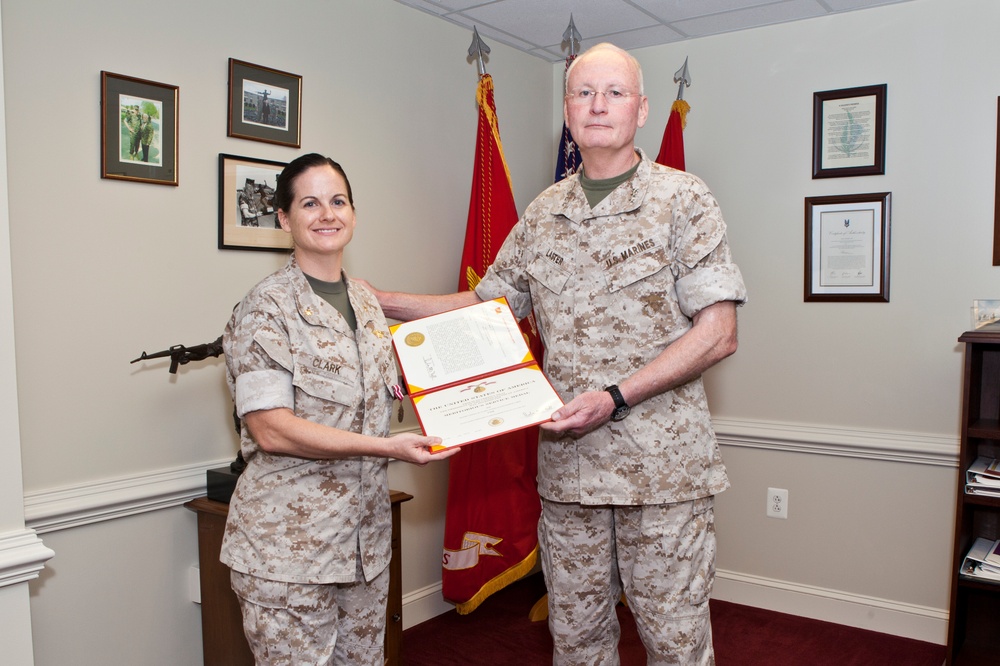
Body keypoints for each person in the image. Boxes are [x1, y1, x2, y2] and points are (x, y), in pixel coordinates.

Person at [362, 43, 746, 665]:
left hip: (663, 477)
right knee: (577, 643)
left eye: (614, 93)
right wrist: (380, 299)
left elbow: (719, 332)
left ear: (642, 109)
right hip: (570, 476)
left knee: (675, 645)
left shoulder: (685, 200)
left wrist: (616, 396)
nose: (598, 105)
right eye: (583, 93)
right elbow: (487, 310)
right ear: (566, 112)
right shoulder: (543, 214)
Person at [221, 152, 459, 665]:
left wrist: (475, 401)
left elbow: (385, 392)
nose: (327, 214)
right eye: (310, 203)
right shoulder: (265, 309)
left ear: (353, 212)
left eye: (338, 201)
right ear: (284, 218)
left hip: (364, 547)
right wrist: (384, 447)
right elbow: (271, 430)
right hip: (288, 552)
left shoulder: (369, 305)